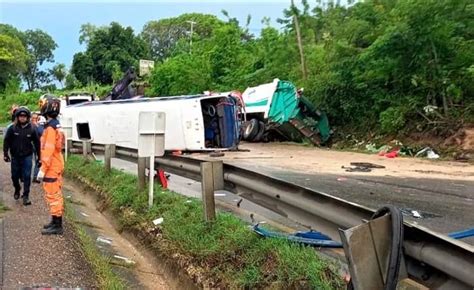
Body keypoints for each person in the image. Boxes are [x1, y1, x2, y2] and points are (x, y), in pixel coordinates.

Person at [37, 96, 64, 235]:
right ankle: (54, 221)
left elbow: (48, 150)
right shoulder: (55, 125)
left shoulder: (50, 128)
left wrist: (42, 169)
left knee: (53, 195)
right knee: (54, 194)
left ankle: (57, 225)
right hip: (55, 163)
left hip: (51, 166)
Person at [3, 107, 40, 206]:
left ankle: (26, 196)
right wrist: (6, 154)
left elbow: (37, 143)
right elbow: (6, 141)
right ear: (17, 117)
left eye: (24, 116)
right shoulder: (12, 128)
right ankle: (17, 188)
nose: (22, 118)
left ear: (27, 117)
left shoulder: (32, 128)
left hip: (27, 156)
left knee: (27, 176)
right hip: (15, 156)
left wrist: (39, 157)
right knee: (14, 176)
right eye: (20, 116)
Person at [31, 113, 45, 183]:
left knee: (38, 160)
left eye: (36, 118)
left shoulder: (37, 125)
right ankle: (35, 176)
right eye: (33, 118)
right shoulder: (34, 126)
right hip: (35, 145)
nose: (35, 119)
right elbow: (41, 132)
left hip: (36, 145)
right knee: (38, 160)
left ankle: (35, 176)